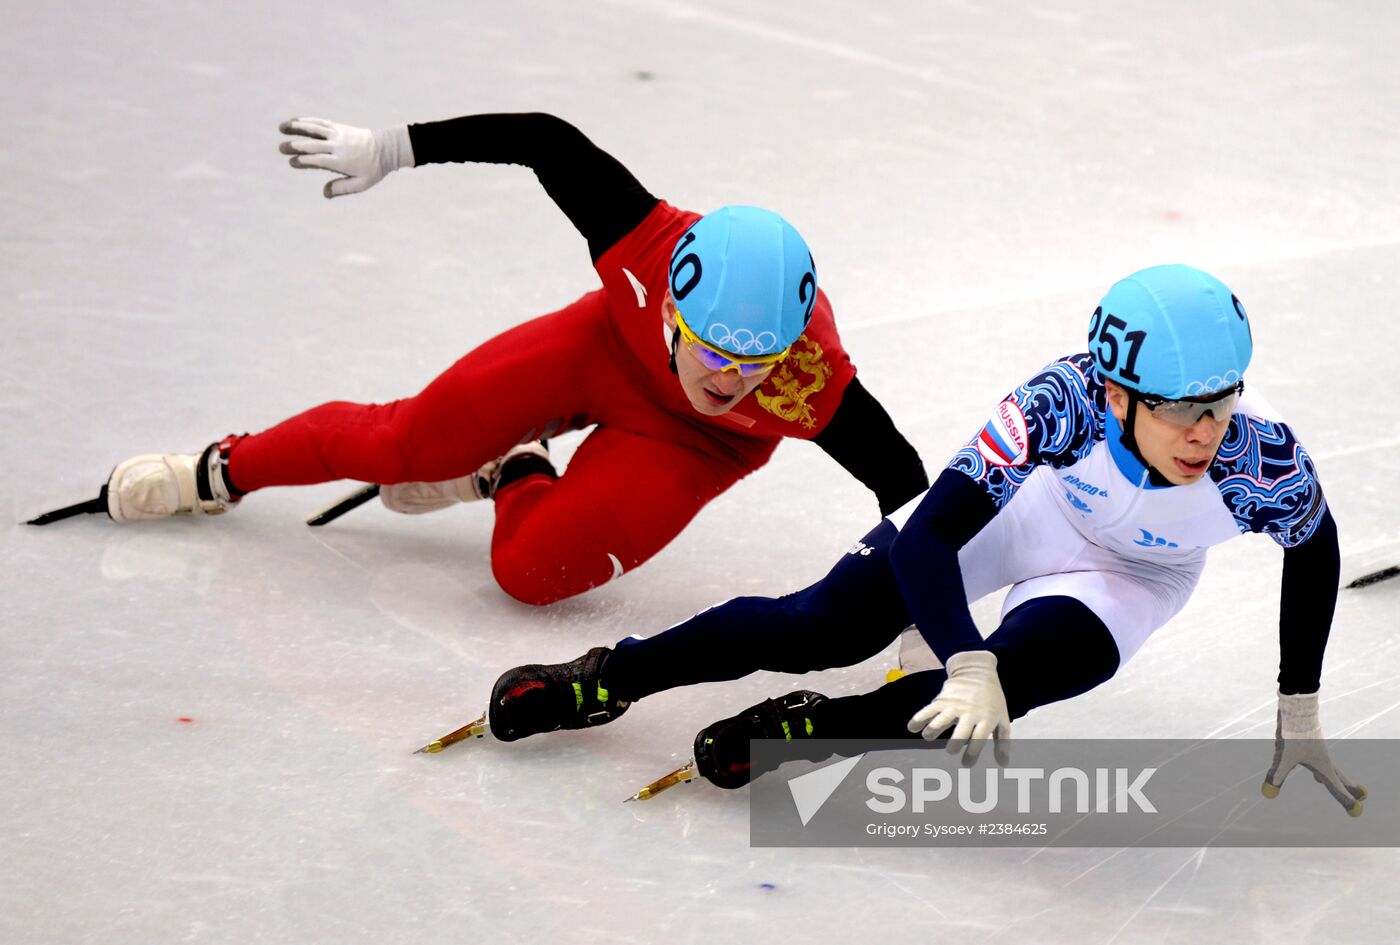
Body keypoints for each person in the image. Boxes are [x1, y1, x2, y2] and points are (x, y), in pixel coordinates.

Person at [481, 263, 1365, 815]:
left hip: (1136, 573)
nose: (1204, 432)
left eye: (1220, 402)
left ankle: (815, 730)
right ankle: (607, 678)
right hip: (1033, 513)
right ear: (1117, 395)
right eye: (1178, 409)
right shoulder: (1059, 402)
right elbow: (933, 530)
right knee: (821, 627)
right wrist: (961, 650)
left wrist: (1298, 707)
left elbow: (1314, 552)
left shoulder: (1261, 457)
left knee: (993, 694)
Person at [73, 112, 928, 605]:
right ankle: (218, 471)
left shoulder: (812, 384)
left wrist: (925, 613)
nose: (728, 379)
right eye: (710, 351)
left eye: (756, 366)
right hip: (600, 350)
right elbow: (545, 139)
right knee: (401, 446)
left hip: (696, 449)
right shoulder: (640, 237)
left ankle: (517, 465)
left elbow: (907, 483)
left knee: (530, 575)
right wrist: (394, 146)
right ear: (671, 300)